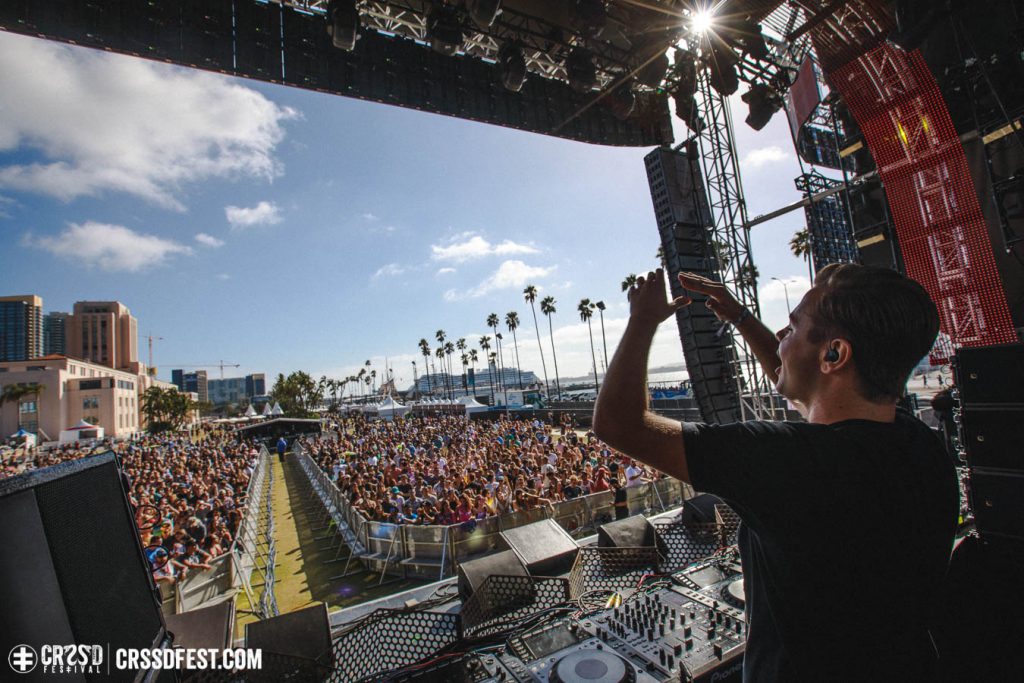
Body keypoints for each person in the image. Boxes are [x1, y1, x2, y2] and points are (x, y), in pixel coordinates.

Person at [594, 266, 958, 682]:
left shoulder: (790, 462)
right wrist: (740, 317)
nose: (782, 339)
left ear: (835, 354)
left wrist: (643, 319)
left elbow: (619, 423)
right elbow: (810, 391)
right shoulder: (922, 446)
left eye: (792, 327)